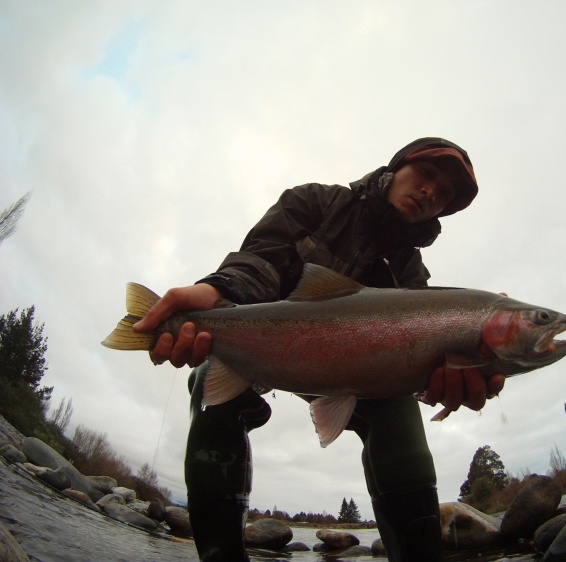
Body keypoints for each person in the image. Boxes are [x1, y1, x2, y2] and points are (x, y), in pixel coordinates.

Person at [134, 137, 506, 561]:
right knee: (207, 389)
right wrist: (218, 289)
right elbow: (261, 260)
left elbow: (417, 364)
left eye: (443, 195)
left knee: (399, 414)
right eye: (427, 175)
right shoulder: (315, 203)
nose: (430, 192)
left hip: (355, 379)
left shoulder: (412, 277)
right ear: (396, 167)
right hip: (269, 352)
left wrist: (449, 377)